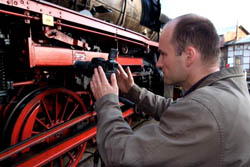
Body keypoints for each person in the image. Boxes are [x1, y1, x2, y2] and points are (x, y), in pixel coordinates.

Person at [90, 14, 250, 167]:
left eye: (163, 54)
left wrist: (107, 102)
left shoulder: (202, 110)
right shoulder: (227, 90)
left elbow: (121, 156)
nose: (158, 63)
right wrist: (132, 90)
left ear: (189, 55)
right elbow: (174, 109)